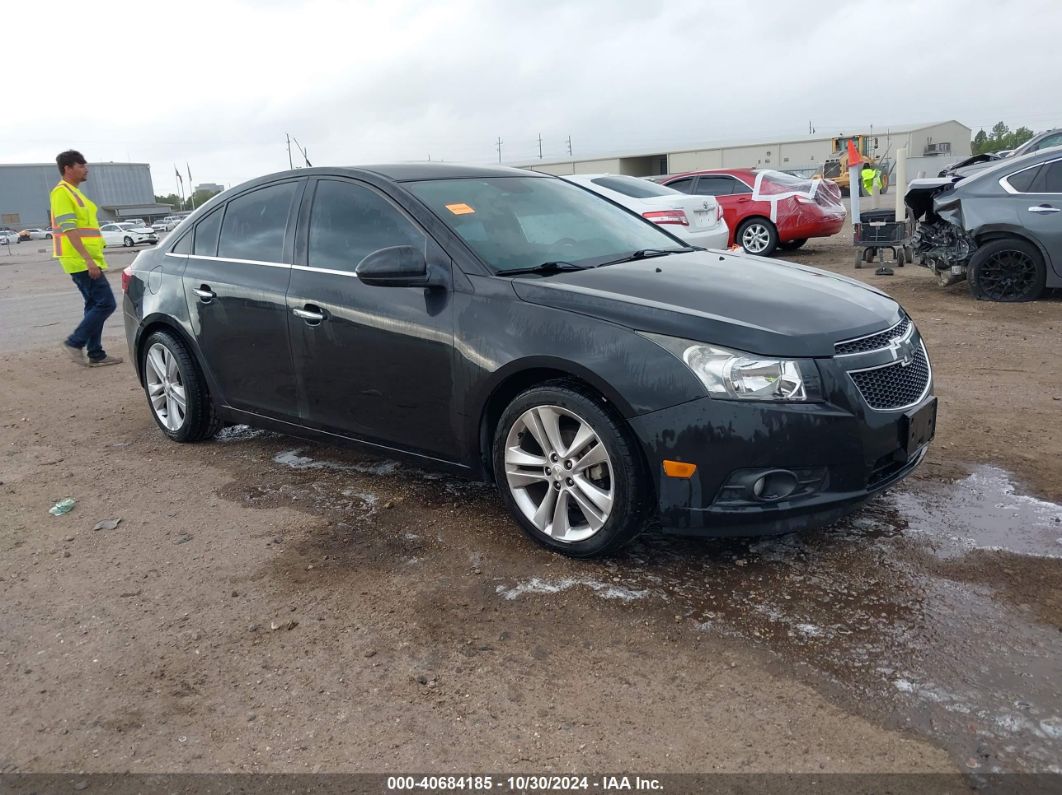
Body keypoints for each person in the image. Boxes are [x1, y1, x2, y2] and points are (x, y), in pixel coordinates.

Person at [50, 150, 123, 367]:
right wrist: (87, 260)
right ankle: (75, 342)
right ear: (68, 168)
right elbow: (69, 228)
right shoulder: (61, 192)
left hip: (85, 258)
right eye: (81, 165)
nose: (86, 168)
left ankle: (96, 353)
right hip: (79, 259)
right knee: (106, 303)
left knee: (94, 305)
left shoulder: (74, 192)